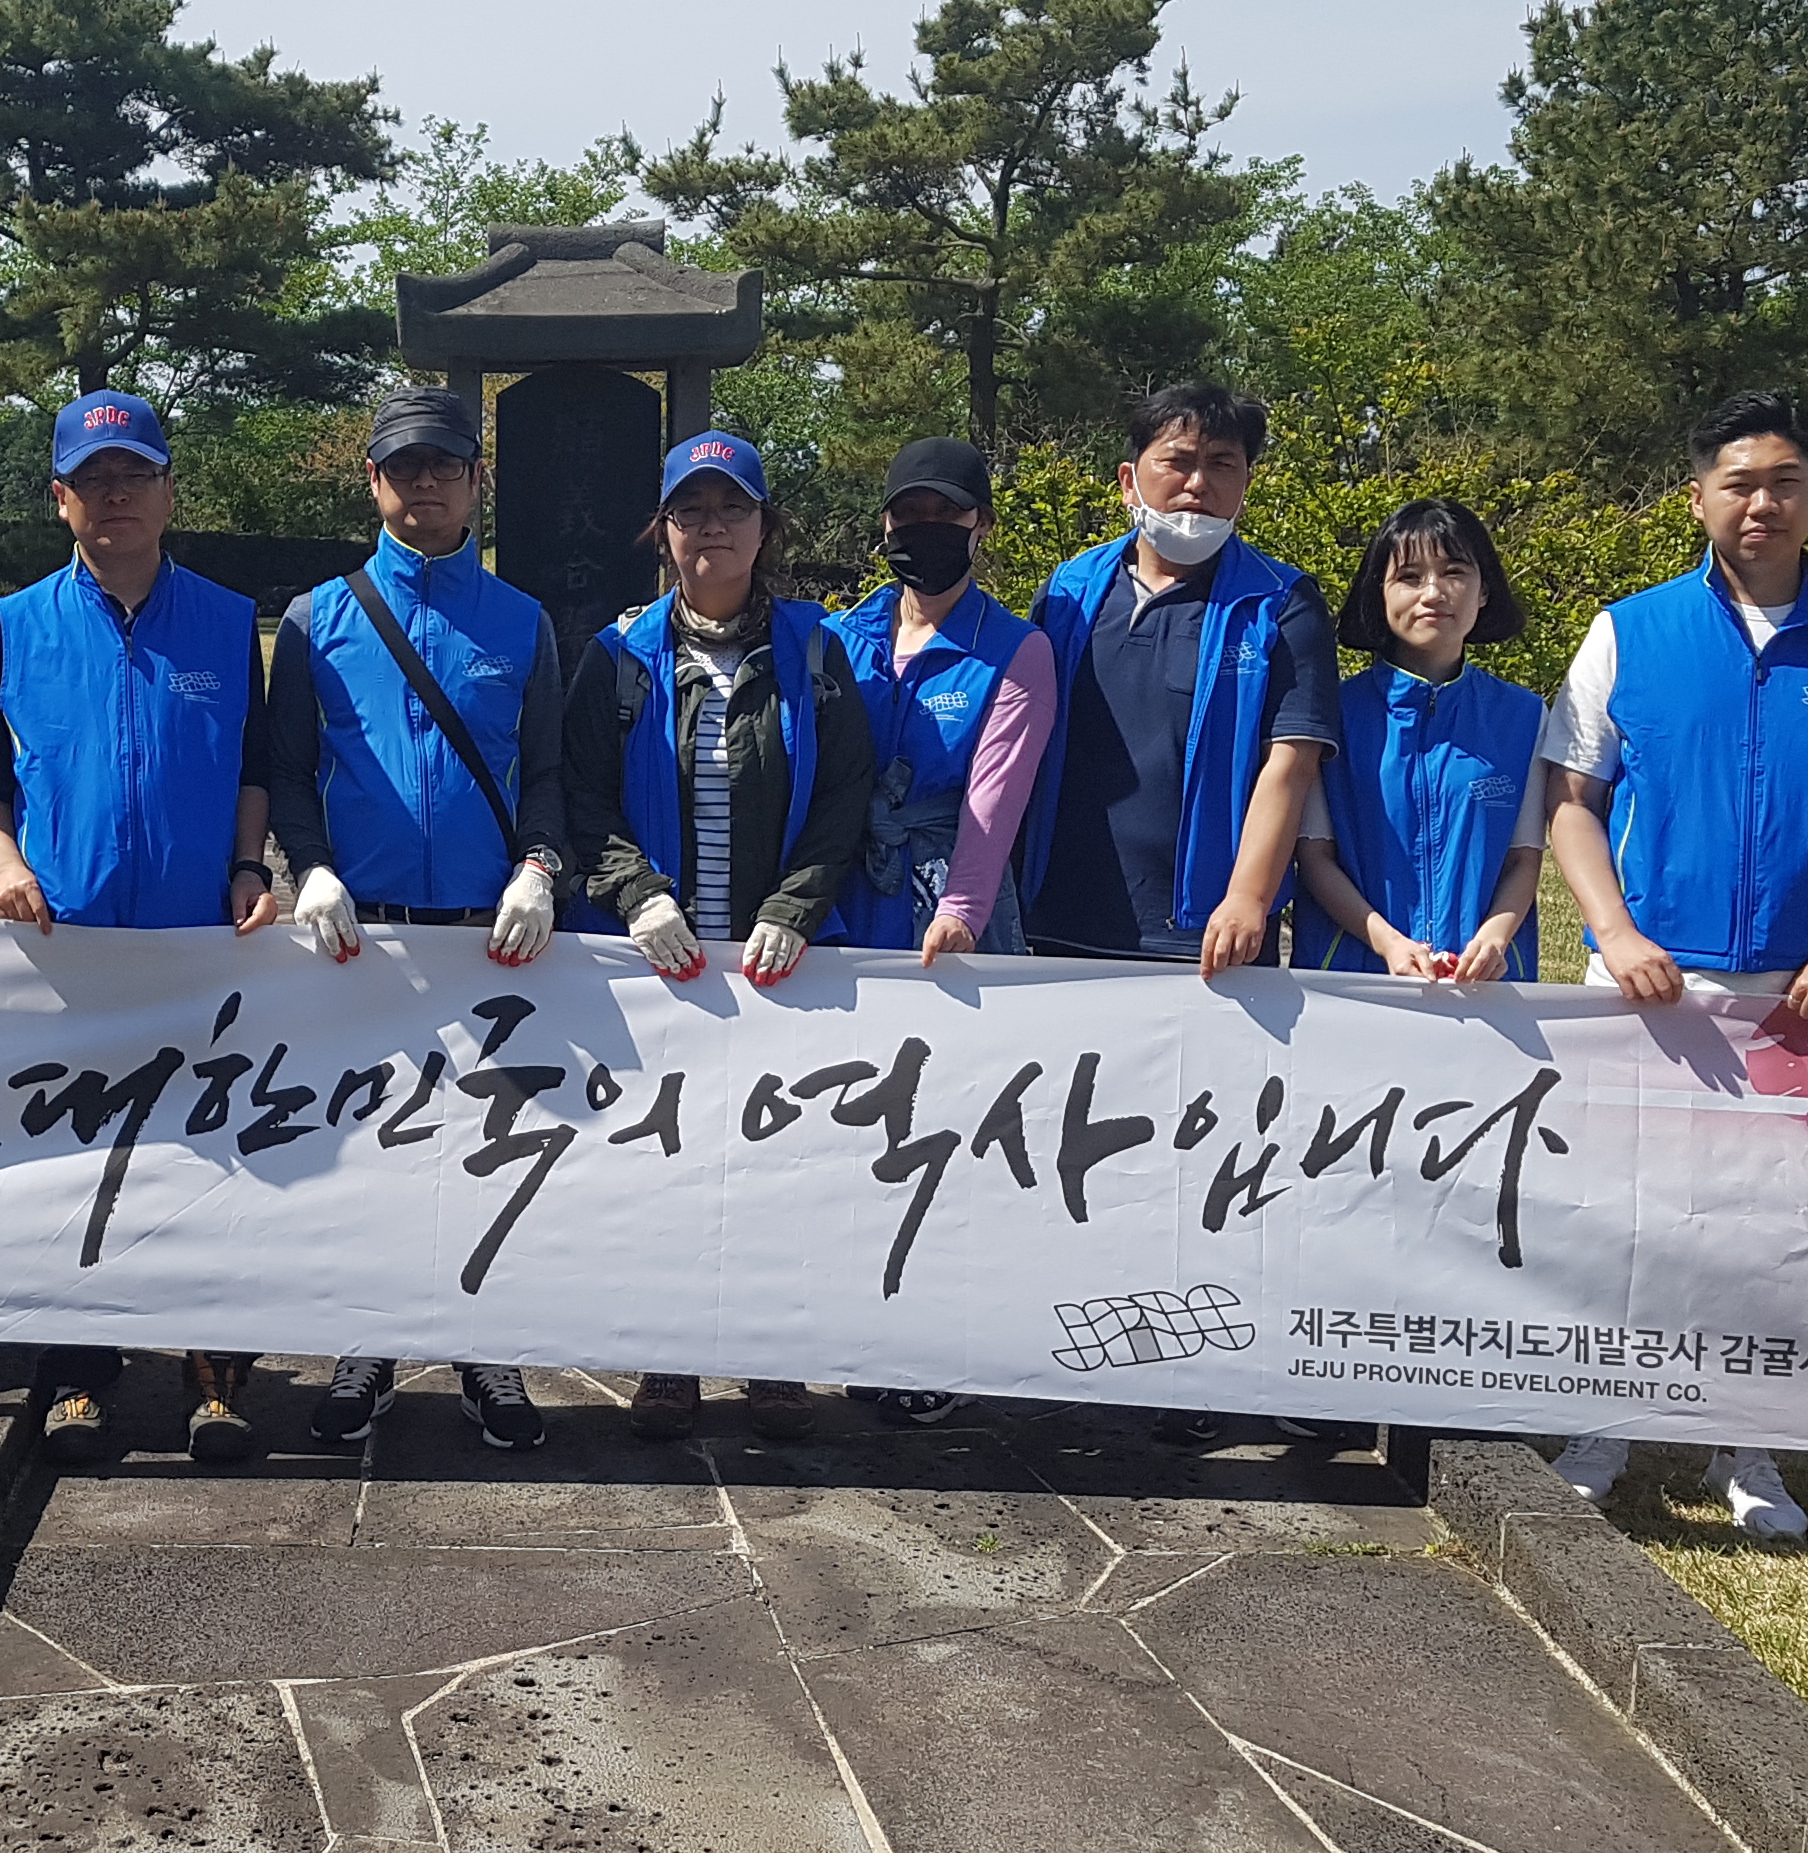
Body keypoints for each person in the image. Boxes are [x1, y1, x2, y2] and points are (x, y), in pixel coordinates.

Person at [1538, 391, 1808, 1540]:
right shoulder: (1632, 629)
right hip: (1646, 985)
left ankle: (1747, 1445)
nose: (1761, 501)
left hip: (1798, 996)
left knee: (1773, 1224)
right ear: (1699, 498)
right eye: (1738, 482)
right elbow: (1572, 801)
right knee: (1627, 1214)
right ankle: (1602, 1427)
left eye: (1785, 481)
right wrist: (1615, 932)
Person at [0, 389, 278, 1471]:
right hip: (68, 949)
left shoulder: (232, 621)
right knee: (74, 1165)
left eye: (136, 476)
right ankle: (81, 1379)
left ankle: (217, 1380)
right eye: (94, 482)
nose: (117, 497)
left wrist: (244, 868)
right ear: (61, 500)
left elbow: (254, 769)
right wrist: (1, 865)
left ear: (170, 490)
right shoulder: (14, 623)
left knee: (212, 1160)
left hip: (197, 945)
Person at [266, 381, 569, 1451]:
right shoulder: (318, 618)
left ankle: (489, 1348)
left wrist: (540, 864)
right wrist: (306, 865)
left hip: (490, 936)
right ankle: (368, 1341)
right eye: (406, 466)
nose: (425, 483)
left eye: (445, 464)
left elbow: (545, 773)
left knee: (487, 1147)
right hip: (363, 932)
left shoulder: (522, 620)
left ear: (476, 481)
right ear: (374, 481)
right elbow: (291, 770)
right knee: (371, 1148)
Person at [561, 425, 874, 1441]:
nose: (711, 529)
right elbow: (583, 797)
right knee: (665, 1162)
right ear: (663, 531)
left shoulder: (817, 653)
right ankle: (669, 1356)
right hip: (662, 962)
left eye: (731, 508)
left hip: (777, 961)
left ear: (762, 525)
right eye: (690, 510)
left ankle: (771, 1355)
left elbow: (844, 796)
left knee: (777, 1162)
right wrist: (637, 892)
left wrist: (796, 904)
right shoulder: (616, 657)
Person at [819, 434, 1053, 1431]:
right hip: (845, 905)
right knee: (850, 1125)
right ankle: (855, 1321)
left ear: (980, 527)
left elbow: (994, 804)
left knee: (944, 1130)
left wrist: (960, 910)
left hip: (942, 914)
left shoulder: (1015, 648)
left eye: (945, 518)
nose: (924, 534)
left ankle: (940, 1335)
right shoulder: (844, 633)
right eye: (907, 517)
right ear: (884, 524)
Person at [1018, 382, 1339, 978]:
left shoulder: (1280, 603)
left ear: (1246, 484)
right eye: (1178, 461)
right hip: (1059, 919)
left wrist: (1248, 896)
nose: (1198, 485)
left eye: (1222, 465)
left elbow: (1292, 763)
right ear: (1128, 480)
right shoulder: (1067, 591)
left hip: (1208, 935)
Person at [1295, 498, 1548, 984]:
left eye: (1454, 572)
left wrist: (1492, 942)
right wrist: (1389, 944)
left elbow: (1523, 859)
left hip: (1484, 987)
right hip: (1352, 980)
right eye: (1409, 577)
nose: (1433, 592)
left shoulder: (1523, 716)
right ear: (1379, 595)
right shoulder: (1330, 713)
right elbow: (1315, 858)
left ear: (1484, 592)